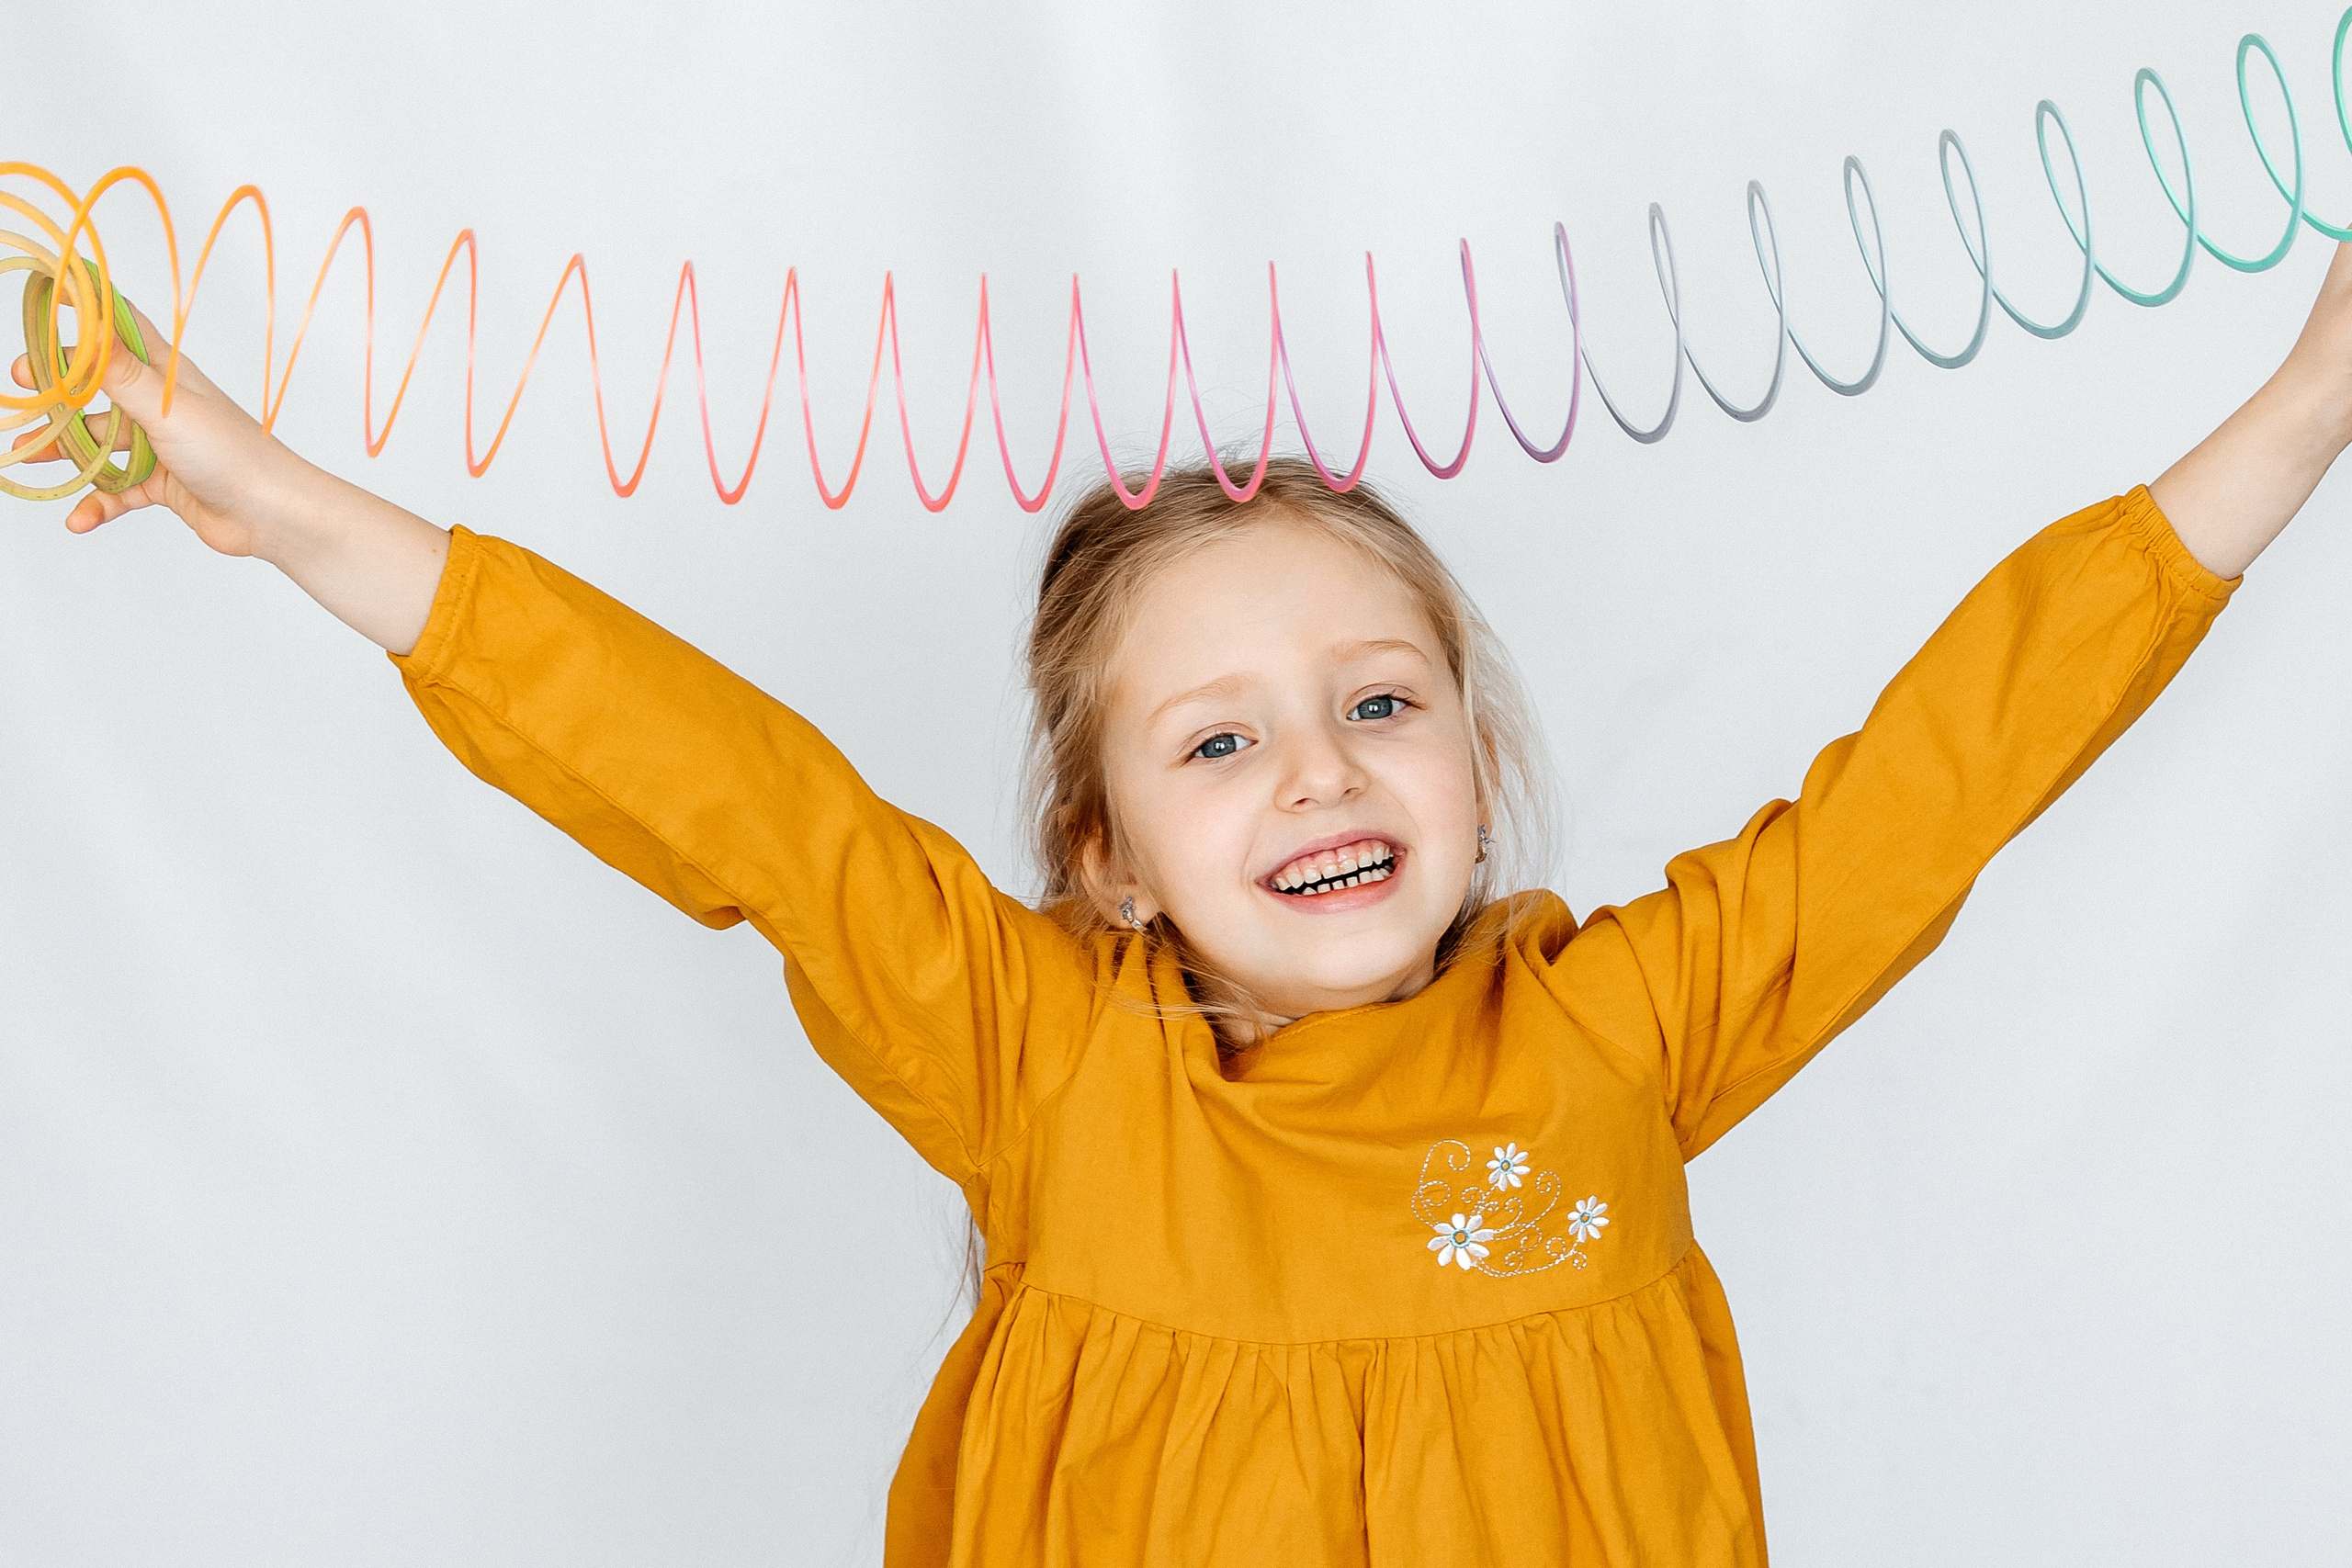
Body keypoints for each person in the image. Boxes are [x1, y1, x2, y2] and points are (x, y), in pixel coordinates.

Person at [11, 235, 2343, 1566]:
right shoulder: (1039, 1060)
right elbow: (713, 782)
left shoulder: (1620, 1032)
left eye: (1376, 701)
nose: (1318, 771)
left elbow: (1962, 755)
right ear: (1101, 849)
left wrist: (2308, 399)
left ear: (1472, 749)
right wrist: (254, 480)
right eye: (1216, 737)